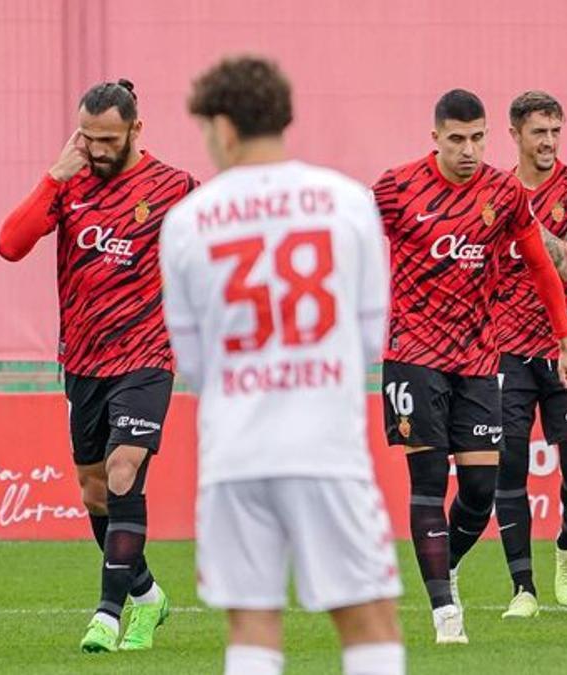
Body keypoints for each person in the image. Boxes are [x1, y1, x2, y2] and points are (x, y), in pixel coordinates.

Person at [161, 55, 404, 675]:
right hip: (326, 448)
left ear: (225, 127)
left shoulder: (187, 221)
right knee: (368, 618)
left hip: (234, 452)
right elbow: (368, 334)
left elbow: (193, 360)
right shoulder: (346, 202)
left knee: (251, 626)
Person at [372, 89, 567, 643]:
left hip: (477, 357)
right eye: (456, 139)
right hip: (414, 355)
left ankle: (445, 563)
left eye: (477, 138)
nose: (468, 150)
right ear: (436, 138)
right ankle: (445, 611)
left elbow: (543, 267)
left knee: (477, 489)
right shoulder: (397, 187)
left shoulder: (503, 192)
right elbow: (347, 240)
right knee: (428, 482)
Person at [0, 79, 195, 653]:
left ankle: (108, 616)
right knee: (95, 493)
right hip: (84, 362)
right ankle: (148, 595)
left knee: (123, 471)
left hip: (146, 356)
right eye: (88, 137)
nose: (98, 149)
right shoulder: (70, 182)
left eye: (108, 139)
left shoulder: (174, 188)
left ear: (136, 129)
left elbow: (216, 247)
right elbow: (10, 245)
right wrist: (53, 176)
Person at [491, 90, 567, 617]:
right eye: (539, 132)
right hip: (505, 349)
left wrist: (518, 214)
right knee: (509, 466)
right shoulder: (489, 194)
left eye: (556, 131)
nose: (549, 141)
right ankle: (523, 589)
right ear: (514, 134)